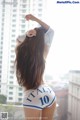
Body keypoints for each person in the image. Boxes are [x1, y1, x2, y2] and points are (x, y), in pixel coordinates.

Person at [15, 14, 56, 120]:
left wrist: (27, 34)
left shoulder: (21, 52)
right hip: (48, 92)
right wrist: (35, 19)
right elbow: (51, 31)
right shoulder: (44, 52)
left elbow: (18, 39)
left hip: (32, 96)